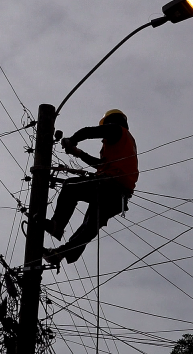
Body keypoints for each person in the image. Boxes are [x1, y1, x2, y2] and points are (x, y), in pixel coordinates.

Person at [43, 109, 139, 265]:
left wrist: (72, 140)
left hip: (108, 186)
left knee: (71, 186)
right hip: (118, 197)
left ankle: (57, 225)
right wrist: (78, 153)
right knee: (90, 226)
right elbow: (101, 165)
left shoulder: (116, 130)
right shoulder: (124, 144)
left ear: (110, 122)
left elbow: (88, 132)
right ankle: (61, 254)